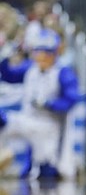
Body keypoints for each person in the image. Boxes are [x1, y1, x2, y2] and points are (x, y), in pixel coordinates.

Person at [0, 28, 81, 179]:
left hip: (49, 125)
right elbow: (8, 74)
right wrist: (6, 55)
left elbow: (71, 100)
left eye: (47, 52)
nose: (42, 56)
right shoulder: (30, 68)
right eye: (39, 52)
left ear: (54, 53)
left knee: (46, 170)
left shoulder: (63, 72)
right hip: (28, 120)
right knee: (2, 121)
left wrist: (48, 104)